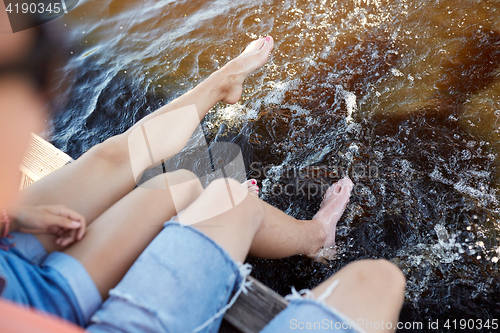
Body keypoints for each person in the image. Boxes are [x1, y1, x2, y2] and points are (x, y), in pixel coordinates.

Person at [0, 8, 405, 333]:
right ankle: (317, 237)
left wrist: (13, 214)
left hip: (11, 269)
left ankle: (220, 84)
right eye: (37, 71)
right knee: (379, 281)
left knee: (166, 178)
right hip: (46, 305)